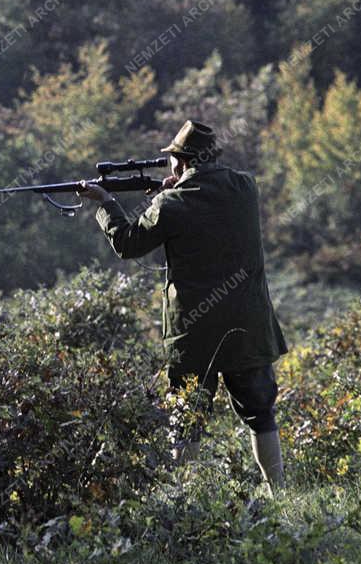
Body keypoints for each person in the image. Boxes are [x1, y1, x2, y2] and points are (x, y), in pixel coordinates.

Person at [78, 119, 288, 496]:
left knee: (187, 419)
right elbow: (209, 201)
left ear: (181, 161)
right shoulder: (245, 187)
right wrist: (176, 186)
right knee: (261, 415)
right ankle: (280, 493)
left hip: (195, 332)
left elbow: (127, 244)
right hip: (248, 326)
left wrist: (105, 204)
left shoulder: (171, 203)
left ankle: (184, 498)